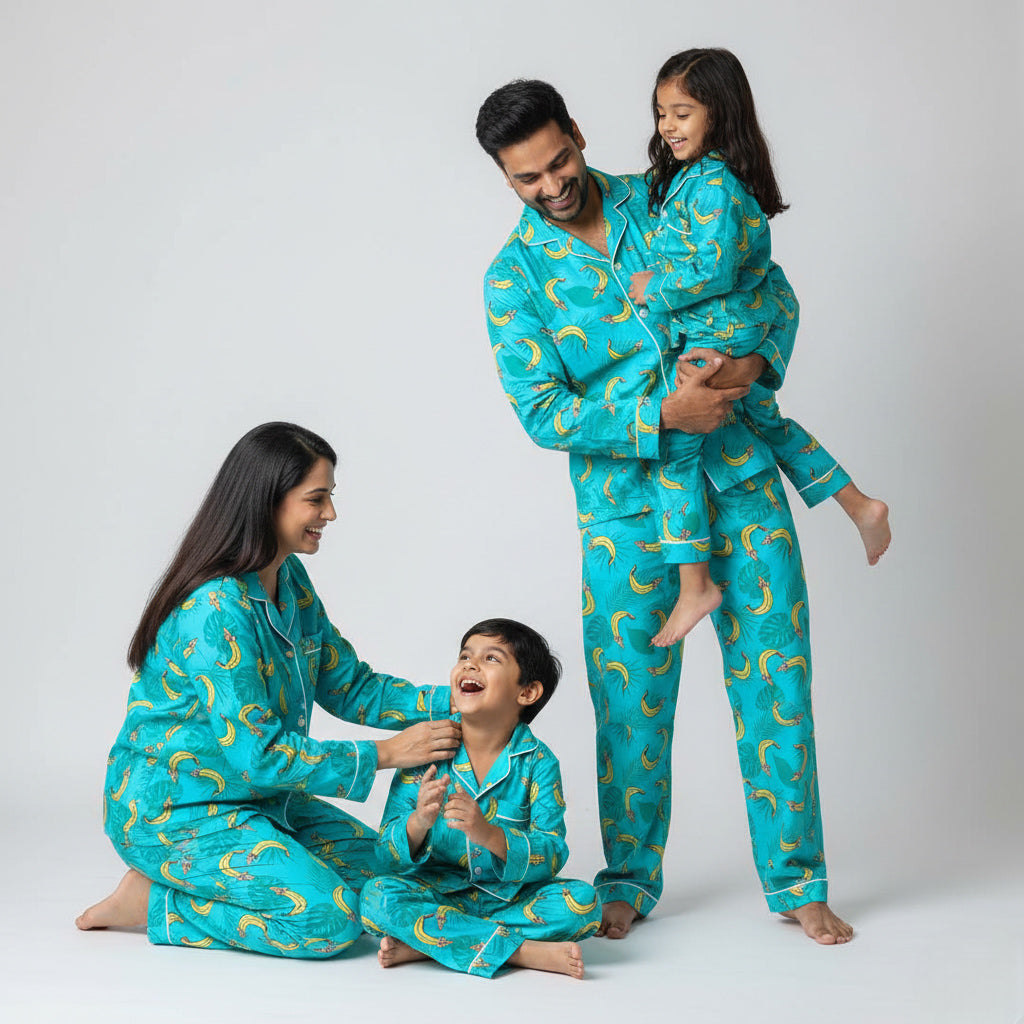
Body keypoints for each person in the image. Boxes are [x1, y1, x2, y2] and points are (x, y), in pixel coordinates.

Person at [476, 80, 853, 944]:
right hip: (625, 523)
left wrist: (752, 369)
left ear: (577, 133)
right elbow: (542, 412)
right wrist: (658, 417)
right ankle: (630, 880)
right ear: (506, 179)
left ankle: (798, 882)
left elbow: (773, 291)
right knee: (628, 709)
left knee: (778, 688)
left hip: (744, 486)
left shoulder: (668, 196)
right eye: (527, 177)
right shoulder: (512, 280)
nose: (552, 186)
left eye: (560, 160)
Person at [76, 422, 461, 957]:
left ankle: (212, 879)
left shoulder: (291, 581)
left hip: (264, 799)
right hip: (178, 810)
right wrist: (388, 754)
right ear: (267, 502)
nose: (330, 514)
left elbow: (351, 686)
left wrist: (461, 699)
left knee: (393, 879)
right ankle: (157, 903)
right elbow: (257, 756)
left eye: (330, 497)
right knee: (331, 921)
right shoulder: (215, 610)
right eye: (316, 499)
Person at [627, 48, 890, 645]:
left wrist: (657, 287)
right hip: (734, 330)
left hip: (718, 335)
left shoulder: (714, 183)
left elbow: (715, 269)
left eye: (682, 113)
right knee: (769, 422)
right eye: (661, 112)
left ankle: (694, 585)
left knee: (674, 449)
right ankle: (859, 503)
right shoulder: (694, 178)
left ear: (718, 114)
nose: (668, 125)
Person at [361, 618, 600, 979]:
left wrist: (489, 834)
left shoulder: (539, 763)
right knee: (376, 897)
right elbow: (386, 856)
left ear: (528, 692)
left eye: (491, 658)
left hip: (511, 899)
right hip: (436, 894)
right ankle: (523, 953)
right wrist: (418, 822)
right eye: (465, 655)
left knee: (583, 904)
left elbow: (552, 852)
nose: (470, 665)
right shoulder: (426, 750)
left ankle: (429, 942)